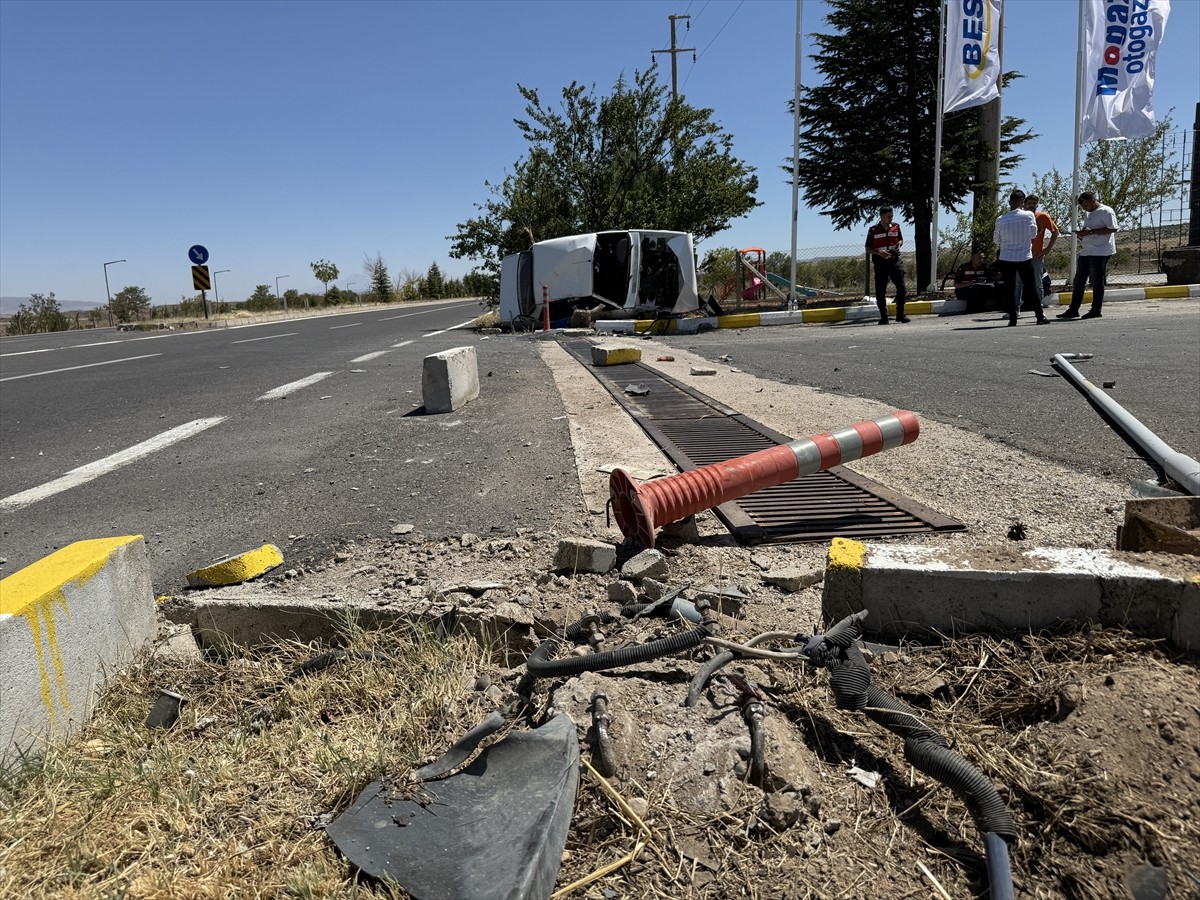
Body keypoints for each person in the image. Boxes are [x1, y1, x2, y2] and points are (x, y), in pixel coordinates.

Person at [1059, 191, 1118, 320]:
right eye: (1083, 206)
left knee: (1096, 281)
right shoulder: (1088, 213)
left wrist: (1091, 232)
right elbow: (1090, 232)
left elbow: (1113, 228)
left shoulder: (1106, 211)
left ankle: (1096, 309)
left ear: (1092, 200)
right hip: (1087, 250)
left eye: (1086, 205)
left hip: (1100, 251)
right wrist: (1082, 234)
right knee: (1079, 280)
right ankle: (1073, 309)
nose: (1085, 208)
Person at [993, 189, 1048, 326]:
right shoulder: (1029, 215)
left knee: (1009, 289)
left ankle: (1013, 318)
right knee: (1031, 288)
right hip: (1024, 256)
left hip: (1006, 257)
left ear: (1009, 202)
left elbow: (996, 240)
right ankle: (1040, 316)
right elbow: (1033, 234)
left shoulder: (1000, 219)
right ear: (1023, 202)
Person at [1015, 194, 1059, 311]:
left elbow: (1055, 232)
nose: (1032, 206)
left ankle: (1038, 308)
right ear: (1024, 204)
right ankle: (1015, 309)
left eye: (1034, 203)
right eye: (1029, 203)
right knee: (1018, 283)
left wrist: (1047, 249)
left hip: (1036, 256)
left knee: (1038, 283)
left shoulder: (1042, 217)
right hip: (1021, 256)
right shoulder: (1020, 217)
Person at [865, 207, 909, 324]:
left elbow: (900, 240)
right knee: (880, 290)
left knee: (902, 289)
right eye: (888, 216)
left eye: (892, 216)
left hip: (894, 261)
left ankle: (900, 315)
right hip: (880, 263)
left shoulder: (896, 226)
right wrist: (879, 253)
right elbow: (868, 248)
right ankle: (883, 317)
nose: (891, 218)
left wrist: (898, 245)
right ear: (882, 216)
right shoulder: (873, 230)